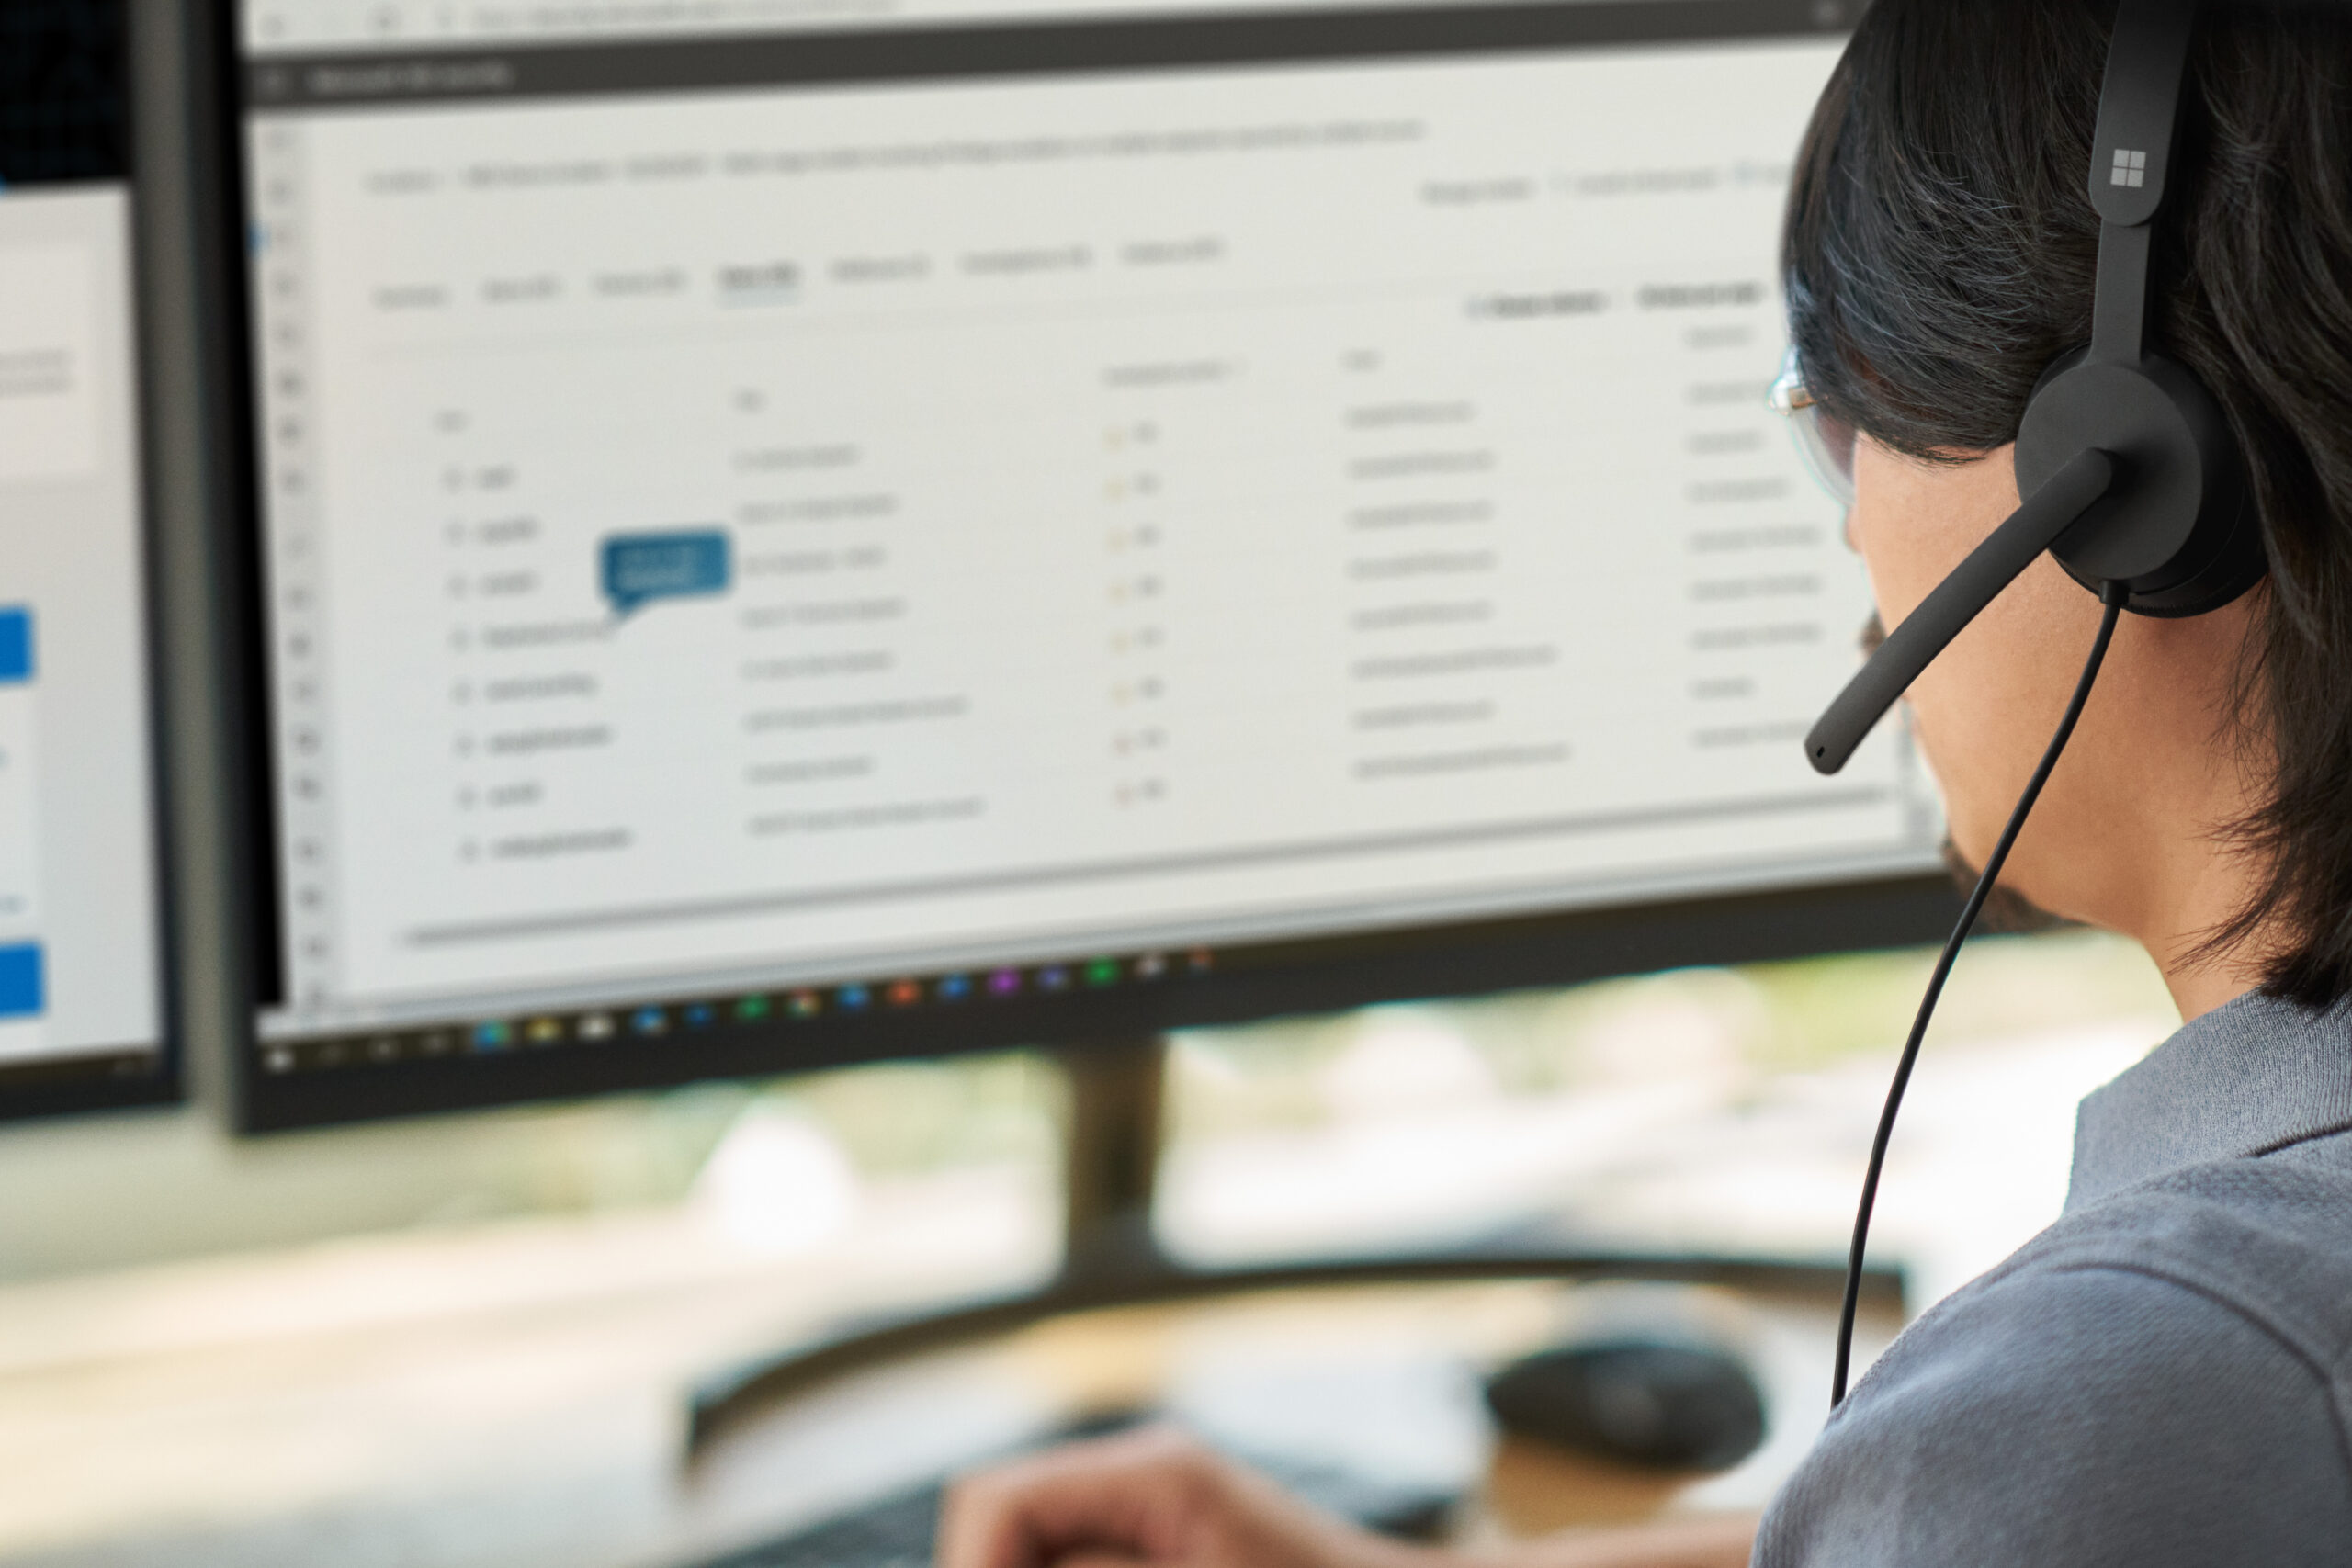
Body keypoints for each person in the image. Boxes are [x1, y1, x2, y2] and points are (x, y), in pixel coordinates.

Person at [933, 1, 2352, 1563]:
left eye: (1839, 416)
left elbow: (2078, 1471)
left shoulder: (2131, 1395)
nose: (1851, 542)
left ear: (2135, 479)